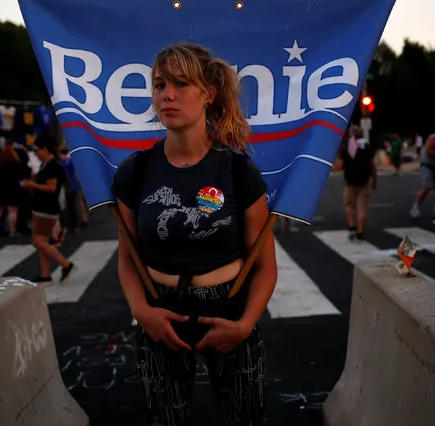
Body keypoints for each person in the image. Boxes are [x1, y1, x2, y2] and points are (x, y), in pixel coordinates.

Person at [112, 43, 277, 425]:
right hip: (159, 310)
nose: (167, 94)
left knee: (245, 418)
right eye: (159, 84)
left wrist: (244, 325)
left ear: (208, 94)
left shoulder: (237, 171)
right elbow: (127, 258)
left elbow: (265, 266)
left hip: (227, 307)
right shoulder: (135, 171)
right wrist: (141, 313)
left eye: (181, 84)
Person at [20, 135, 76, 285]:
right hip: (43, 207)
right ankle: (45, 274)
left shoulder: (52, 166)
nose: (36, 153)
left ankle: (65, 264)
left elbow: (51, 188)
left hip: (46, 208)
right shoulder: (47, 164)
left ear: (45, 149)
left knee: (38, 241)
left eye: (37, 150)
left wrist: (32, 185)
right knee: (42, 241)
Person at [339, 125, 377, 241]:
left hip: (350, 182)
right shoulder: (366, 147)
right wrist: (375, 180)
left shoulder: (348, 148)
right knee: (362, 209)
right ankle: (360, 232)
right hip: (363, 182)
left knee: (350, 205)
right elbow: (372, 165)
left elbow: (341, 165)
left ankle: (352, 227)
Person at [0, 139, 31, 236]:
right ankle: (12, 230)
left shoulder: (0, 162)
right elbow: (25, 166)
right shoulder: (17, 163)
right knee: (13, 209)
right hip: (13, 185)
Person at [410, 122, 435, 219]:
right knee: (427, 187)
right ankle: (415, 207)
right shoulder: (434, 138)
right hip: (428, 165)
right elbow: (429, 151)